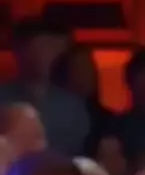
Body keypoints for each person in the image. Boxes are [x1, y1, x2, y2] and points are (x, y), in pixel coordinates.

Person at [0, 17, 89, 155]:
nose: (50, 55)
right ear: (19, 50)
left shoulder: (74, 106)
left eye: (56, 48)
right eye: (44, 46)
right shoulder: (3, 99)